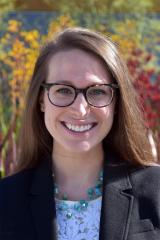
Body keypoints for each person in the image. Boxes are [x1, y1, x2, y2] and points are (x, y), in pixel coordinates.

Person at [0, 27, 160, 240]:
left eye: (97, 91)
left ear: (116, 103)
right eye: (63, 90)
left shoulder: (156, 191)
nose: (81, 109)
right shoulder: (5, 201)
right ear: (41, 100)